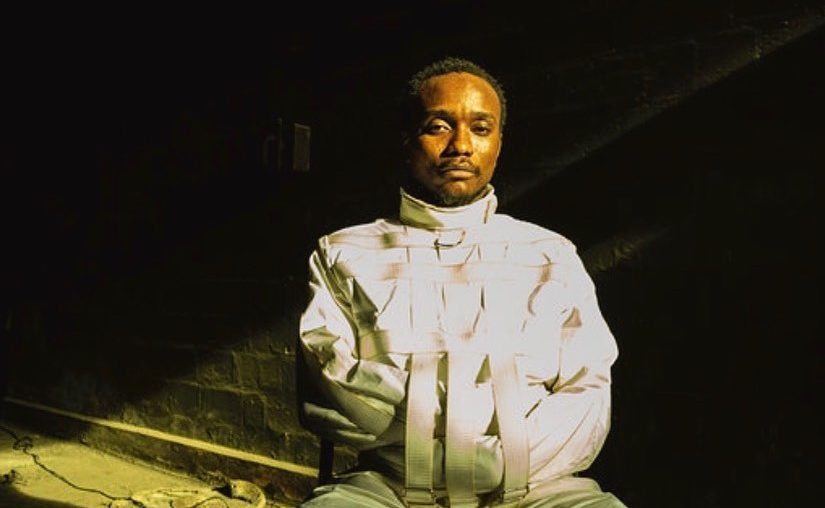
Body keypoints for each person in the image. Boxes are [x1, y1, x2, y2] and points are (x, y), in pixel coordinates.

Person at [297, 57, 625, 508]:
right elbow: (332, 392)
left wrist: (496, 461)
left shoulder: (551, 255)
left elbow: (588, 395)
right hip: (388, 487)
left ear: (499, 143)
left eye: (481, 128)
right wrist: (485, 424)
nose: (461, 146)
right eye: (438, 126)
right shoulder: (343, 253)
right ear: (407, 138)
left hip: (541, 489)